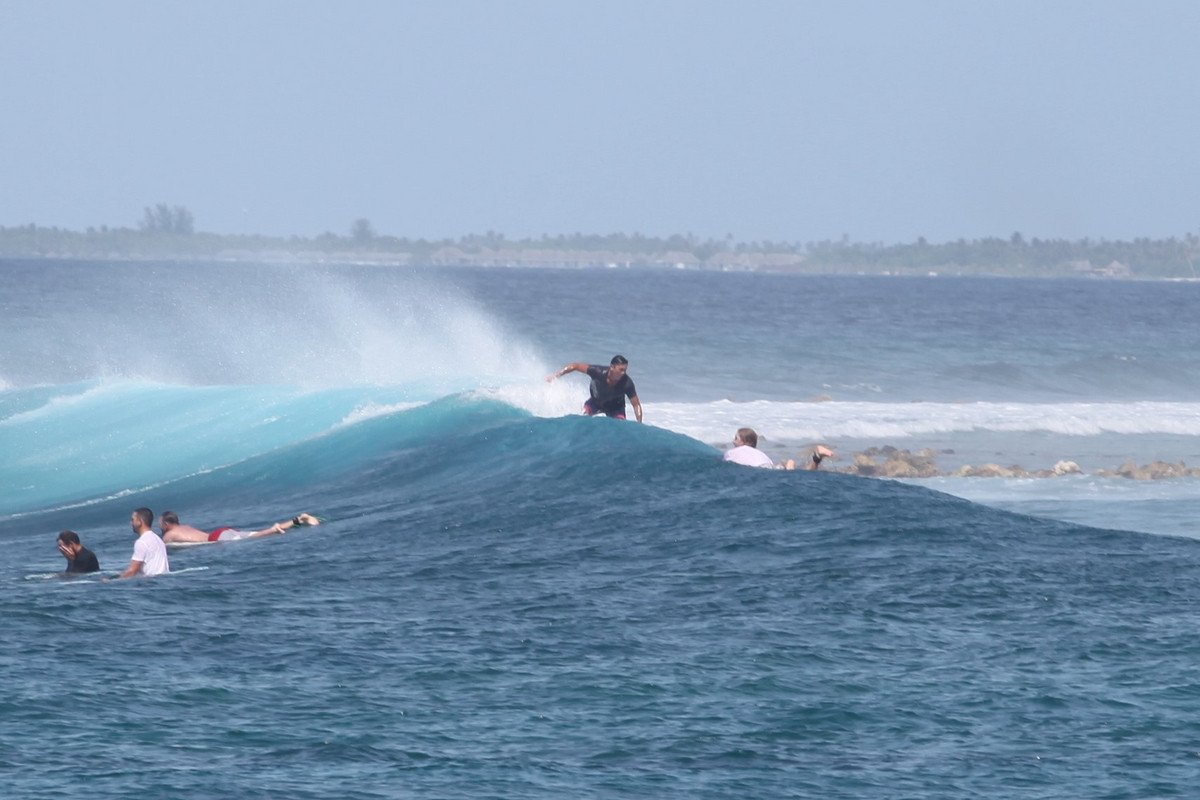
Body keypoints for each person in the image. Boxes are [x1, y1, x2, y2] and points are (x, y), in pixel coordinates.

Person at [545, 354, 643, 422]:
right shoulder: (597, 372)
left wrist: (639, 424)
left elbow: (636, 405)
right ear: (612, 367)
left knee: (620, 426)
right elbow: (575, 366)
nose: (623, 373)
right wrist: (555, 375)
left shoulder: (627, 383)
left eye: (625, 370)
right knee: (583, 419)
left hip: (616, 408)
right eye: (621, 370)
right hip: (595, 402)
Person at [160, 510, 321, 544]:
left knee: (257, 536)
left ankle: (274, 529)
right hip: (222, 532)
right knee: (256, 534)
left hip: (217, 538)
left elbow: (162, 544)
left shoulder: (169, 535)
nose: (159, 527)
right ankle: (298, 520)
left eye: (160, 524)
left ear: (166, 524)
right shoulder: (185, 526)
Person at [117, 507, 169, 578]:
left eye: (132, 520)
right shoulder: (158, 539)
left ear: (139, 522)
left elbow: (132, 571)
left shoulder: (141, 542)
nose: (130, 523)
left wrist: (111, 582)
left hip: (152, 584)